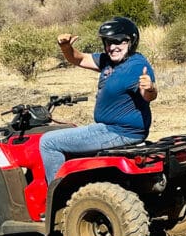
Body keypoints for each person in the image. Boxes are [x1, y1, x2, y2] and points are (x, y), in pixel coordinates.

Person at [39, 17, 158, 183]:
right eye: (108, 42)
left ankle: (58, 193)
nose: (113, 47)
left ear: (131, 42)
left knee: (48, 142)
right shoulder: (109, 61)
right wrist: (66, 47)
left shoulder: (136, 66)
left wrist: (150, 88)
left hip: (119, 131)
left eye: (119, 42)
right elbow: (79, 58)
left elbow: (147, 96)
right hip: (109, 128)